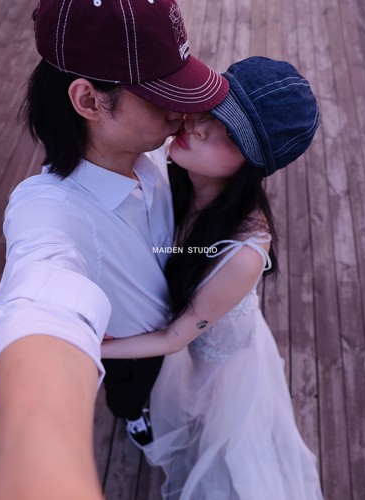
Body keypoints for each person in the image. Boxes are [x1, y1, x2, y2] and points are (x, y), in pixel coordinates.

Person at [0, 1, 229, 499]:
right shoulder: (50, 211)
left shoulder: (153, 150)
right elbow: (40, 307)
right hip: (127, 347)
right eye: (160, 94)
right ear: (89, 101)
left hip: (169, 319)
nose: (183, 110)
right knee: (129, 394)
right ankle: (132, 416)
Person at [101, 56, 324, 499]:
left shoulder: (243, 253)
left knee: (220, 433)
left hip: (219, 355)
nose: (200, 126)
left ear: (252, 164)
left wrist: (93, 344)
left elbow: (176, 337)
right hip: (182, 323)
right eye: (212, 107)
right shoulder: (173, 173)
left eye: (231, 134)